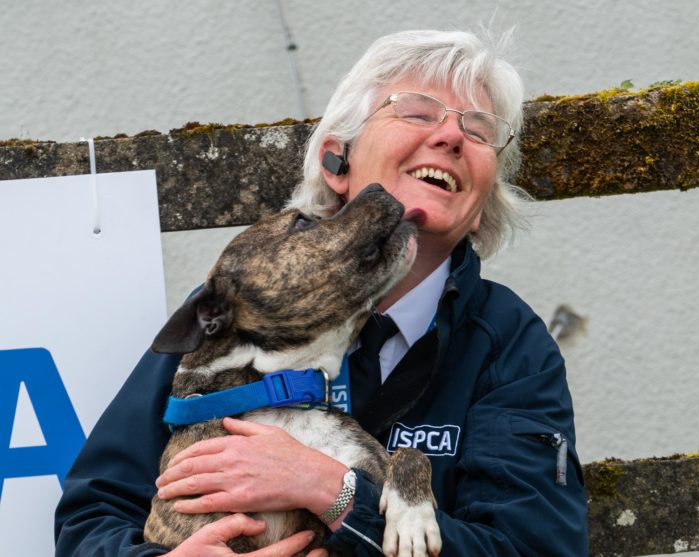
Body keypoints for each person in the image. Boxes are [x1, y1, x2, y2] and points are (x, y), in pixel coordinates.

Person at [55, 29, 589, 556]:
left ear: (483, 197)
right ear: (338, 160)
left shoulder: (508, 343)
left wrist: (334, 492)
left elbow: (533, 548)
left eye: (478, 129)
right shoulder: (245, 308)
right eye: (419, 112)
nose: (451, 137)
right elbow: (92, 516)